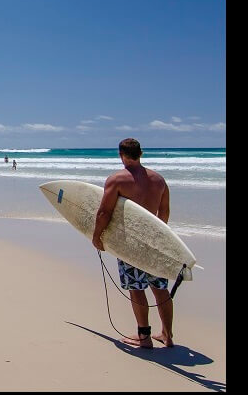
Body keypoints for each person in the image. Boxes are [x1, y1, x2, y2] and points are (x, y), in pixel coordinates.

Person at [92, 138, 173, 349]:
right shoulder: (159, 180)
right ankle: (167, 334)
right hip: (156, 242)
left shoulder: (117, 180)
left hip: (132, 244)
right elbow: (164, 212)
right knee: (160, 287)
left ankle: (144, 337)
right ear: (141, 153)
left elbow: (104, 212)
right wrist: (157, 236)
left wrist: (97, 235)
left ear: (121, 154)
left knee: (137, 288)